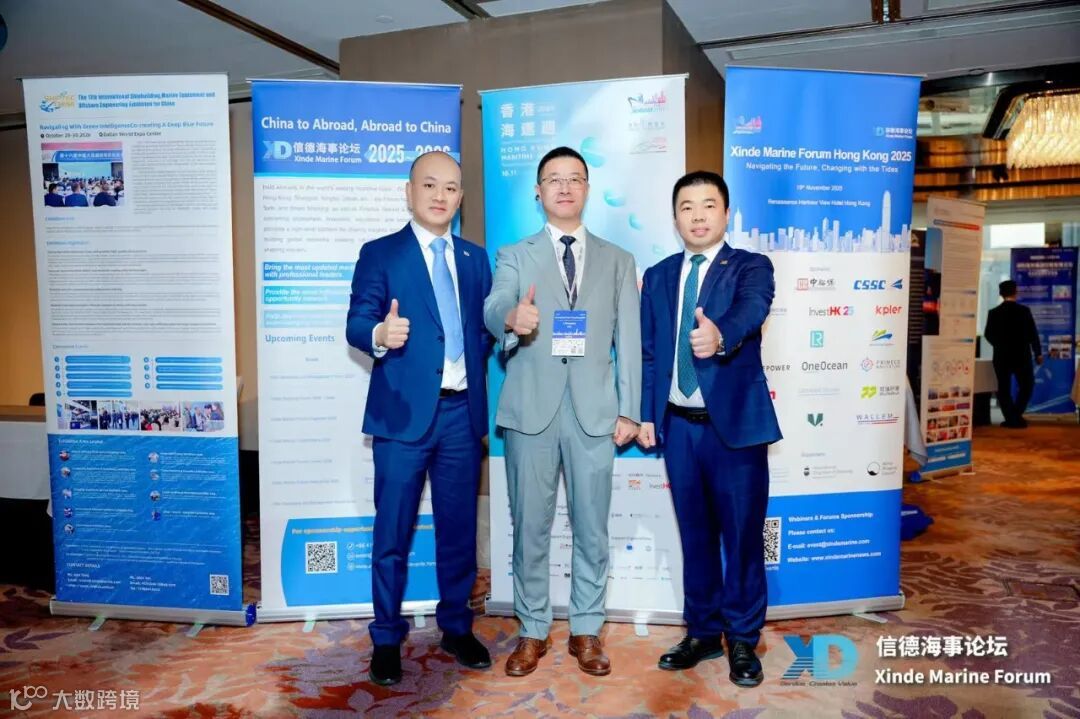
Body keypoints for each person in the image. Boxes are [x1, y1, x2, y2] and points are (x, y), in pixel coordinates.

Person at [483, 146, 641, 677]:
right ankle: (531, 630)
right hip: (531, 410)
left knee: (592, 528)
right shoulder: (514, 254)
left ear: (588, 189)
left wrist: (630, 411)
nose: (565, 187)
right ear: (538, 191)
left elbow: (629, 340)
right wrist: (512, 316)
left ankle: (586, 629)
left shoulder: (618, 260)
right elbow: (494, 305)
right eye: (554, 178)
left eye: (575, 178)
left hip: (595, 413)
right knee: (530, 526)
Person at [345, 151, 493, 686]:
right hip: (403, 418)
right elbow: (356, 322)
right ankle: (386, 637)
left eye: (450, 187)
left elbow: (481, 331)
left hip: (460, 415)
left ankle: (456, 626)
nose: (439, 196)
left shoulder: (475, 259)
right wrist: (380, 335)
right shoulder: (380, 253)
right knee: (392, 533)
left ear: (460, 197)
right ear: (409, 193)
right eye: (429, 185)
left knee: (458, 532)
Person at [637, 171, 781, 687]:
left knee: (741, 537)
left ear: (726, 213)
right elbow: (650, 353)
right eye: (687, 207)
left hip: (734, 429)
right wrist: (647, 414)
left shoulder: (750, 266)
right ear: (675, 217)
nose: (697, 216)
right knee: (695, 536)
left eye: (708, 205)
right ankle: (701, 632)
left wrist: (720, 337)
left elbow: (751, 309)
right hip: (678, 429)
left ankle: (742, 638)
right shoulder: (658, 275)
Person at [984, 279, 1043, 428]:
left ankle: (1011, 418)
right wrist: (1038, 353)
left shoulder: (993, 312)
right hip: (1022, 356)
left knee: (1003, 388)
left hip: (1001, 357)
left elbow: (988, 334)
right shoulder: (1024, 311)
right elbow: (1033, 334)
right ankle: (1016, 416)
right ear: (1016, 293)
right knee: (1027, 385)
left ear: (1001, 294)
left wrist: (1000, 346)